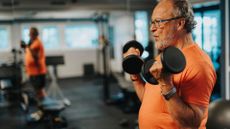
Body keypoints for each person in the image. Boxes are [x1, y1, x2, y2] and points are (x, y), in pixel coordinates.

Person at [123, 0, 216, 129]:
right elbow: (149, 101)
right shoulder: (164, 56)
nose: (152, 28)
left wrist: (166, 84)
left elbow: (191, 124)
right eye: (152, 22)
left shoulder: (199, 64)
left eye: (159, 22)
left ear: (179, 23)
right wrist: (135, 74)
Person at [21, 27, 47, 122]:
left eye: (31, 33)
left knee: (38, 93)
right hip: (33, 72)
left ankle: (42, 112)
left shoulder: (37, 43)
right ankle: (42, 110)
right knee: (38, 92)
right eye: (29, 33)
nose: (29, 35)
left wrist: (27, 47)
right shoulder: (31, 43)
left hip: (38, 72)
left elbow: (36, 57)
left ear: (36, 34)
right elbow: (28, 54)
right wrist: (25, 48)